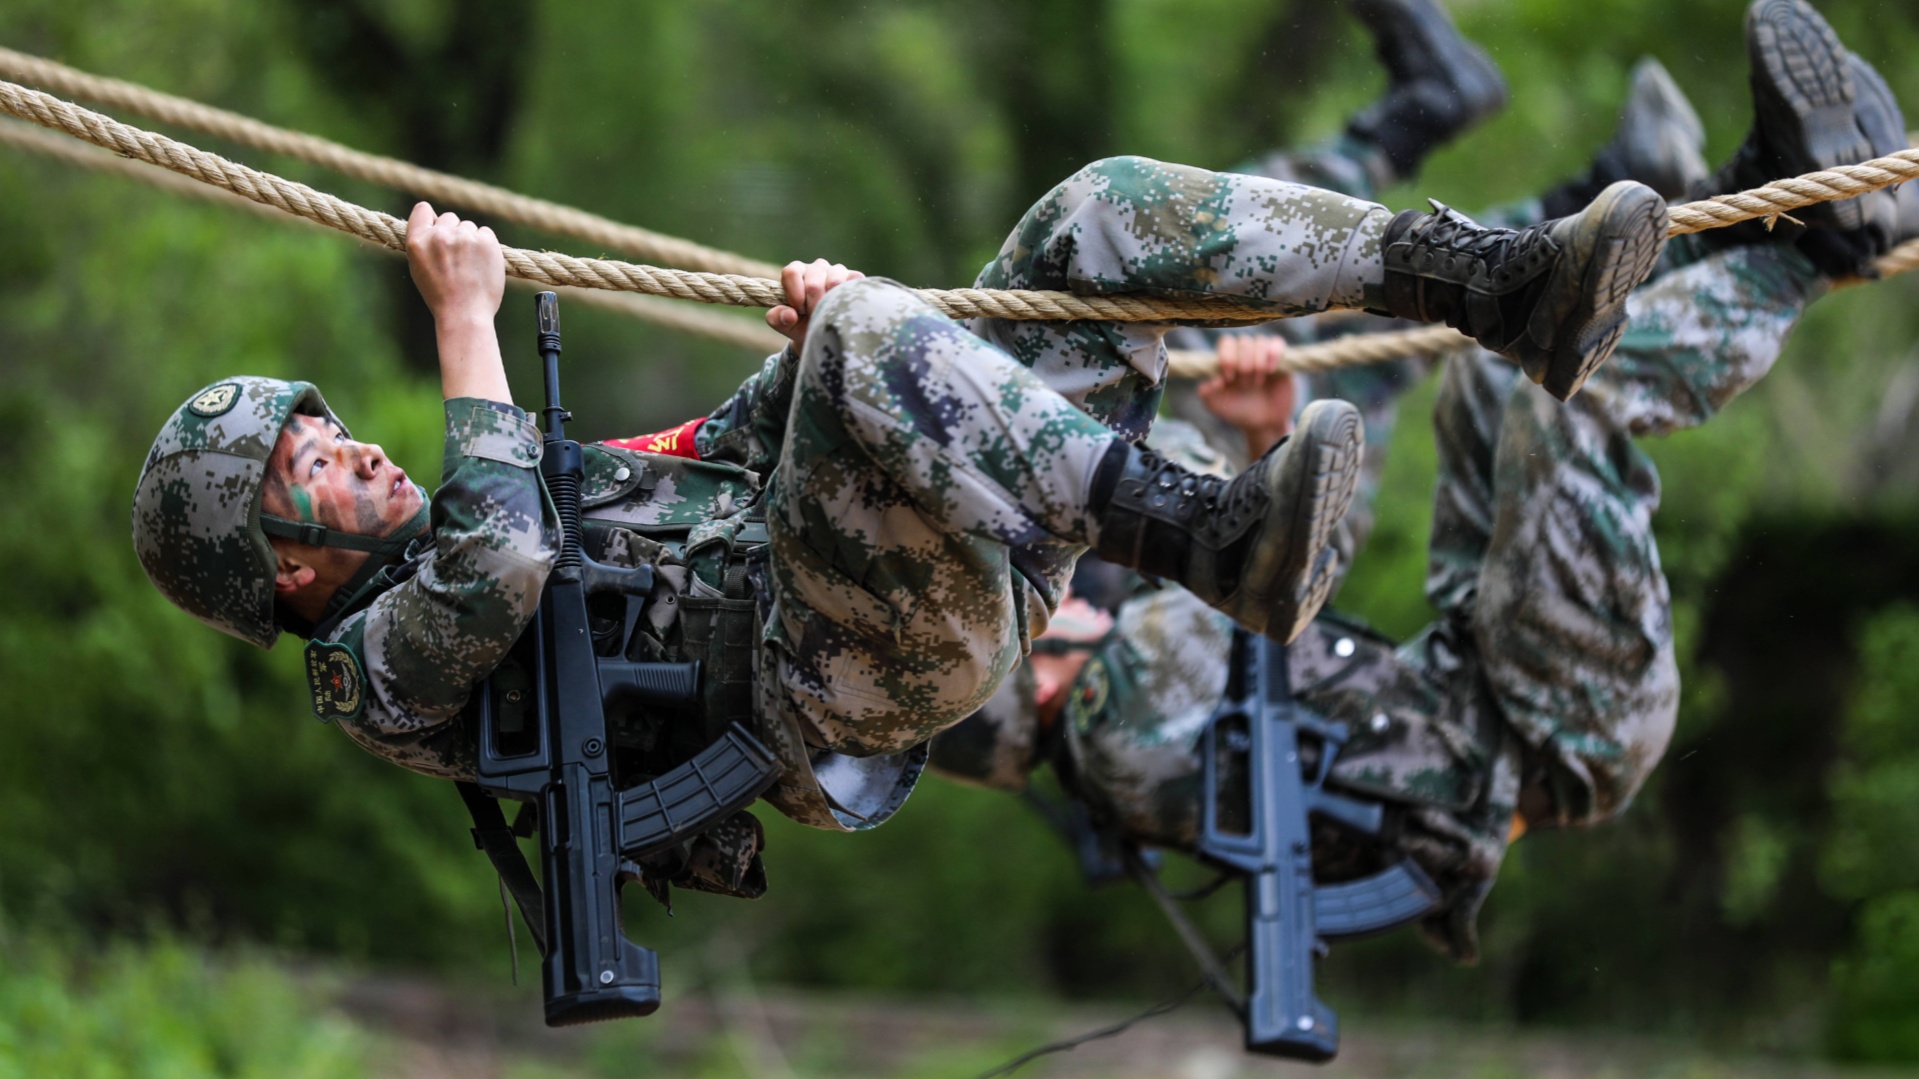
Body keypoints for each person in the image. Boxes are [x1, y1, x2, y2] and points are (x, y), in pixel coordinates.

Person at [131, 87, 1672, 894]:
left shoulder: (504, 477)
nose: (353, 451)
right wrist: (463, 320)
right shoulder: (366, 674)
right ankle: (1206, 535)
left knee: (1090, 219)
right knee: (878, 329)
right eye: (308, 467)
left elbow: (707, 463)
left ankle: (1489, 283)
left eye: (328, 431)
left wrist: (799, 360)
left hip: (891, 563)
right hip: (835, 674)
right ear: (278, 568)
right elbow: (505, 563)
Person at [931, 0, 1908, 959]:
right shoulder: (1116, 732)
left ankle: (1757, 197)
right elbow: (1231, 560)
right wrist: (1226, 453)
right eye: (1035, 625)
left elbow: (1290, 571)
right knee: (1557, 407)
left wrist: (1263, 437)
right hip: (1554, 716)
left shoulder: (1132, 715)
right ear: (1035, 681)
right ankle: (1824, 244)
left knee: (1504, 372)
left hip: (1483, 663)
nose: (1052, 599)